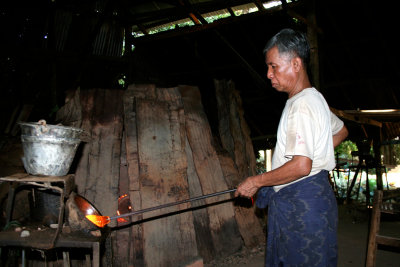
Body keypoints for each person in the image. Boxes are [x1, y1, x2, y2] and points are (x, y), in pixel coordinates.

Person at [235, 28, 348, 266]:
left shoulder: (301, 106)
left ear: (296, 64)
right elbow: (341, 131)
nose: (268, 74)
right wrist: (317, 159)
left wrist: (257, 181)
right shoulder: (314, 98)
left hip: (302, 206)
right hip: (316, 200)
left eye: (273, 66)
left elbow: (301, 166)